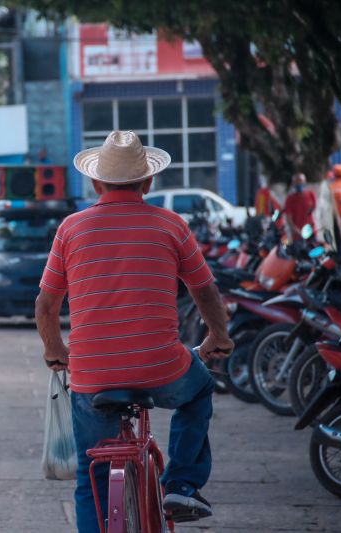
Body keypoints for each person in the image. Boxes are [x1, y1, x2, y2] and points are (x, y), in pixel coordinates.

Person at [35, 131, 233, 532]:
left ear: (95, 182)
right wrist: (218, 337)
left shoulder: (71, 229)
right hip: (162, 368)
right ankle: (181, 483)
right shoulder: (171, 225)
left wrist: (56, 349)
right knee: (199, 389)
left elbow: (45, 304)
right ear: (148, 182)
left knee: (90, 472)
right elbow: (206, 291)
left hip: (93, 376)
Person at [283, 173, 316, 242]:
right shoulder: (290, 199)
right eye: (297, 182)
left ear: (304, 182)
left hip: (311, 232)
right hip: (298, 236)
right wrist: (296, 230)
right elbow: (289, 218)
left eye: (301, 181)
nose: (299, 184)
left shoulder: (311, 195)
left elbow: (312, 209)